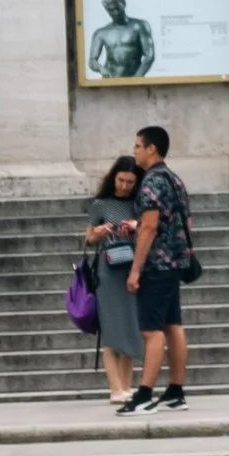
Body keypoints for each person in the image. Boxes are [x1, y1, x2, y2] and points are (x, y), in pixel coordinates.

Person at [120, 124, 194, 413]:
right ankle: (176, 389)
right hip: (175, 262)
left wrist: (136, 269)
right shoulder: (174, 180)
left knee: (151, 331)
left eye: (138, 145)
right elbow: (180, 221)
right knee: (173, 325)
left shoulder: (151, 181)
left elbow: (150, 226)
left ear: (152, 148)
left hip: (156, 263)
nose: (134, 150)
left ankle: (145, 394)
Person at [84, 152, 145, 404]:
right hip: (108, 272)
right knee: (110, 329)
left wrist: (135, 226)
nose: (124, 186)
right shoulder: (100, 204)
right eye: (121, 180)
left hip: (132, 269)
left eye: (130, 182)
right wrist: (99, 232)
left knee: (131, 326)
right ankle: (115, 387)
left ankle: (127, 385)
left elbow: (151, 230)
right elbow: (88, 237)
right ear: (113, 178)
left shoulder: (139, 203)